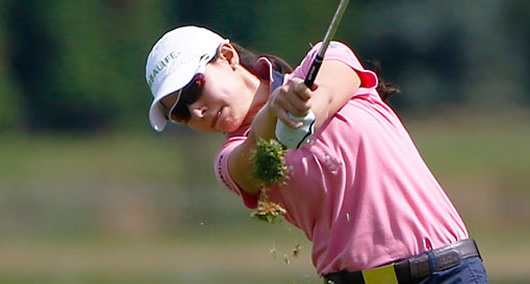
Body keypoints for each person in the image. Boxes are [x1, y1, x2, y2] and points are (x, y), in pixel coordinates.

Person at [145, 25, 488, 284]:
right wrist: (273, 121)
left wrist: (300, 111)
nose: (196, 111)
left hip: (447, 273)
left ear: (229, 57)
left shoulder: (321, 63)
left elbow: (328, 92)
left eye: (193, 89)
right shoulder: (228, 160)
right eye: (181, 113)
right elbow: (250, 163)